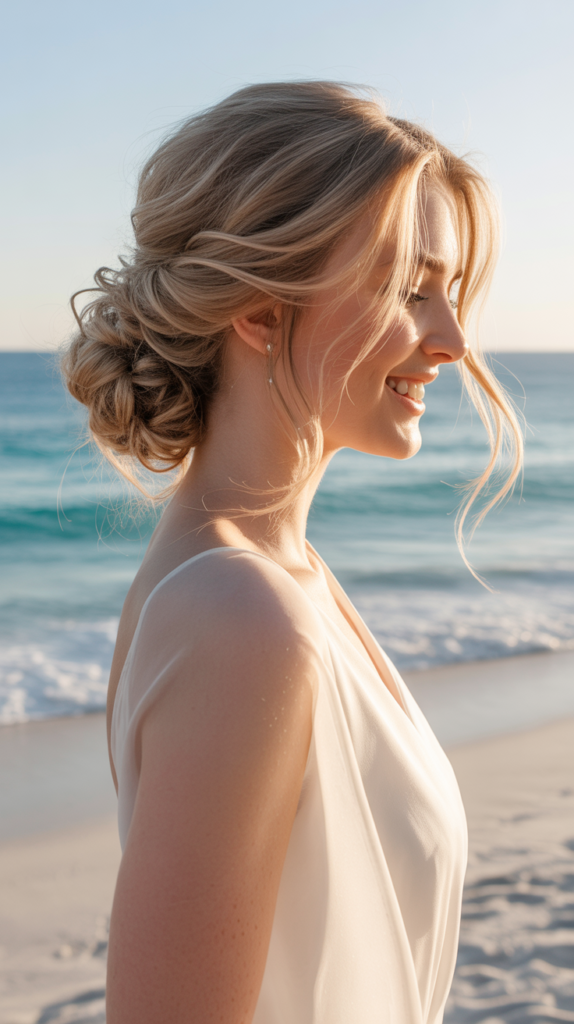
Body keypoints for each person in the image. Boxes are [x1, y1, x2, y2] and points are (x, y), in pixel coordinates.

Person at [62, 81, 522, 1024]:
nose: (451, 340)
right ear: (262, 312)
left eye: (449, 292)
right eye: (409, 288)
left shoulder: (278, 581)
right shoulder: (239, 614)